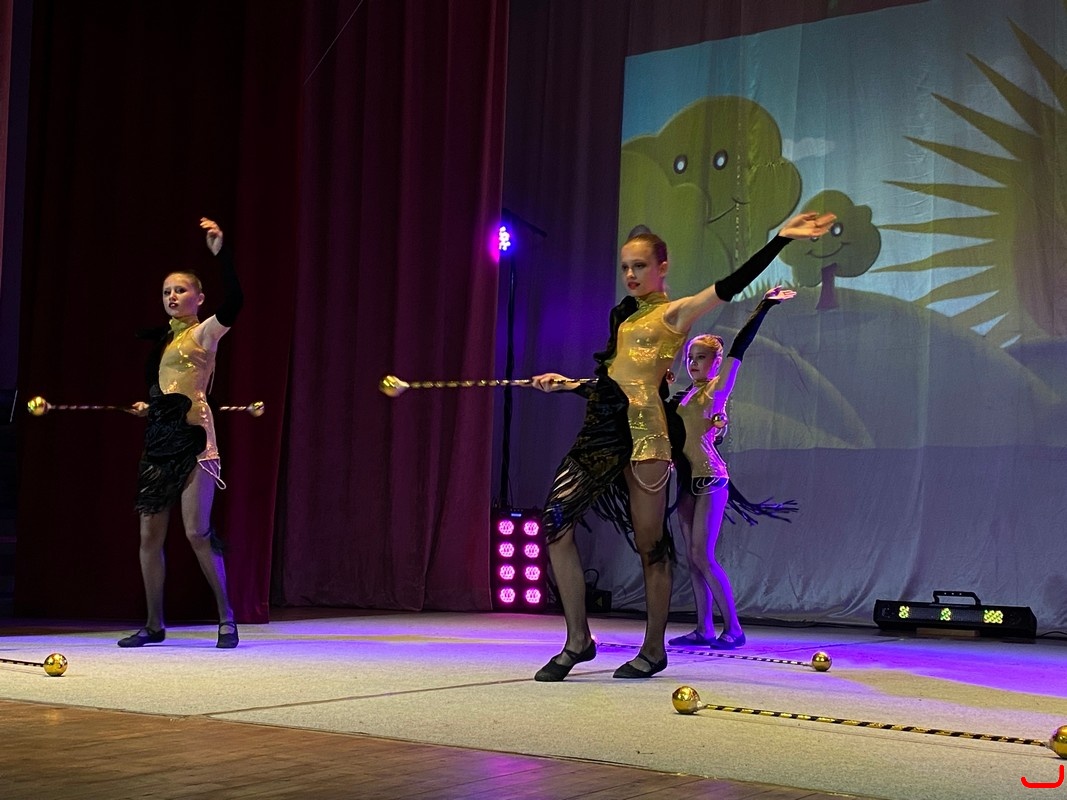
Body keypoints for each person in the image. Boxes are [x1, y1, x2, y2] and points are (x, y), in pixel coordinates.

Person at [530, 211, 835, 681]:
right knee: (555, 521)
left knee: (651, 545)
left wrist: (780, 240)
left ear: (663, 267)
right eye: (625, 267)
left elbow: (730, 285)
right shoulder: (625, 317)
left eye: (640, 266)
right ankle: (578, 640)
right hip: (603, 428)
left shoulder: (672, 313)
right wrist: (568, 384)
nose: (631, 275)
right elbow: (618, 381)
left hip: (646, 434)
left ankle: (653, 649)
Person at [117, 217, 242, 649]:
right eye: (167, 291)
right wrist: (148, 406)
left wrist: (221, 254)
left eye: (181, 290)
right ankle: (154, 624)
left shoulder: (204, 333)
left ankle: (226, 618)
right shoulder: (164, 343)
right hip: (159, 443)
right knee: (148, 536)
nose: (172, 296)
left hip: (194, 440)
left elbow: (236, 302)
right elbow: (167, 390)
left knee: (196, 532)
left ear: (199, 298)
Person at [667, 286, 796, 651]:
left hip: (710, 479)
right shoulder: (686, 396)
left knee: (702, 555)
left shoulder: (716, 390)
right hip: (686, 482)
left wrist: (764, 306)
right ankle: (704, 629)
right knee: (692, 559)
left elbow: (740, 345)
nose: (693, 364)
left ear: (716, 362)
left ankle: (735, 629)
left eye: (701, 358)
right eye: (690, 358)